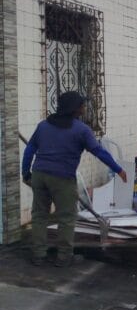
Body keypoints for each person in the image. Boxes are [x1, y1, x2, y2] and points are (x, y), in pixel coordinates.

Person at [22, 92, 128, 267]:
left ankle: (38, 255)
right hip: (62, 178)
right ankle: (64, 258)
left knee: (39, 216)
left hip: (39, 175)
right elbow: (99, 152)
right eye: (81, 105)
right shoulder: (81, 130)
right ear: (74, 109)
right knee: (66, 218)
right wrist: (118, 169)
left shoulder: (43, 126)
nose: (83, 108)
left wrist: (26, 173)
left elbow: (29, 150)